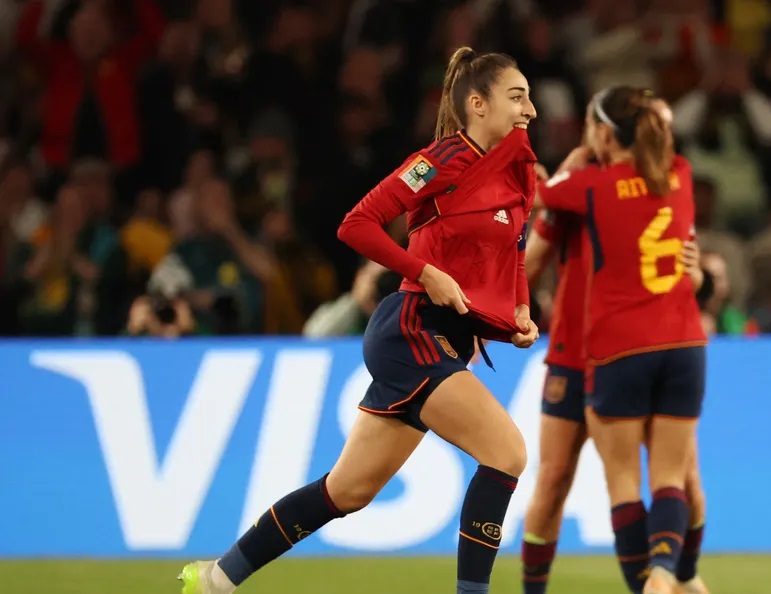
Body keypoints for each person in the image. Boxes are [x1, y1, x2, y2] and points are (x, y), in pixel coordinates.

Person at [178, 46, 540, 594]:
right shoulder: (440, 161)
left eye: (529, 97)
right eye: (516, 97)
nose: (529, 110)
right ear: (477, 104)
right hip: (414, 327)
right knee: (508, 452)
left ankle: (216, 579)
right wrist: (425, 270)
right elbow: (358, 224)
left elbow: (513, 253)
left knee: (347, 491)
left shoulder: (517, 176)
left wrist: (520, 310)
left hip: (446, 340)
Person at [536, 86, 708, 594]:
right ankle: (664, 571)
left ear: (605, 134)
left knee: (623, 483)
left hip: (620, 347)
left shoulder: (592, 186)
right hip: (683, 343)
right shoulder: (680, 173)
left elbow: (543, 192)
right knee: (673, 479)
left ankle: (647, 587)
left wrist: (574, 161)